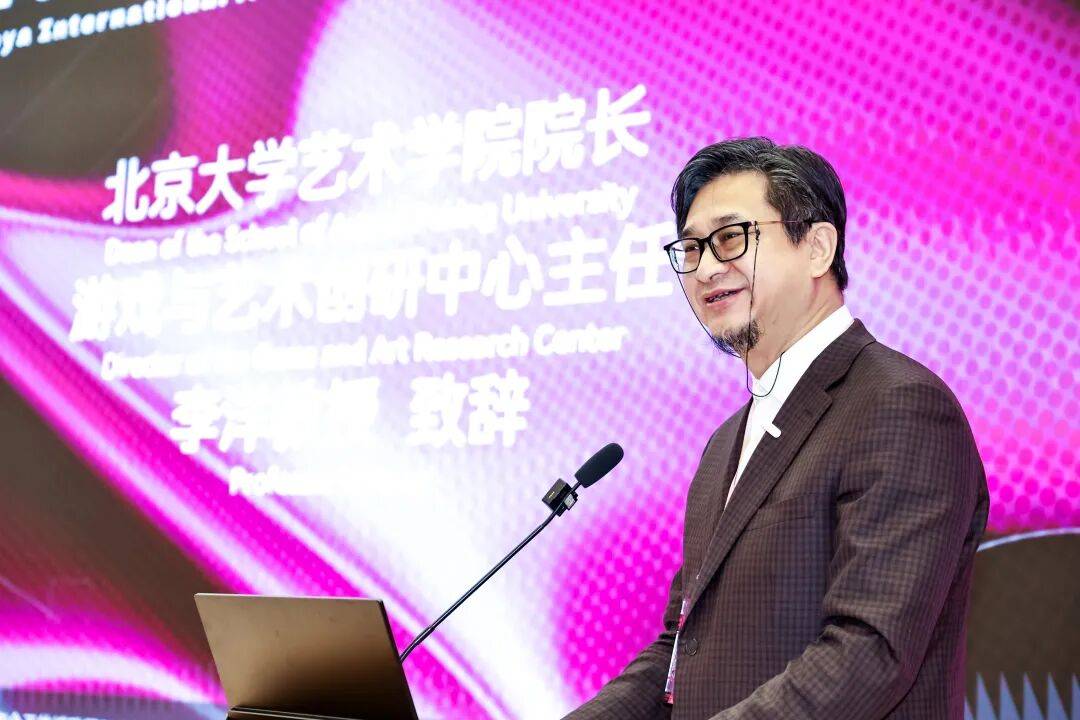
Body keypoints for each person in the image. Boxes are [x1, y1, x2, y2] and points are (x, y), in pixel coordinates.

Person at [563, 137, 989, 719]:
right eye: (691, 248)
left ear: (817, 248)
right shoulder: (724, 444)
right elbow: (679, 656)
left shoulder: (899, 405)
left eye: (731, 237)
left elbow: (868, 653)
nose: (706, 267)